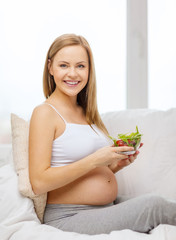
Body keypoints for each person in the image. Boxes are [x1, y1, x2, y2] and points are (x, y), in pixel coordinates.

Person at [29, 33, 176, 235]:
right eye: (64, 65)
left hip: (101, 208)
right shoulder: (45, 113)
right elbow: (39, 182)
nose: (73, 73)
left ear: (89, 70)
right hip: (68, 216)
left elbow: (87, 173)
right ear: (50, 67)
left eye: (81, 66)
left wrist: (113, 167)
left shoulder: (86, 113)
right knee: (155, 206)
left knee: (165, 202)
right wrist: (96, 160)